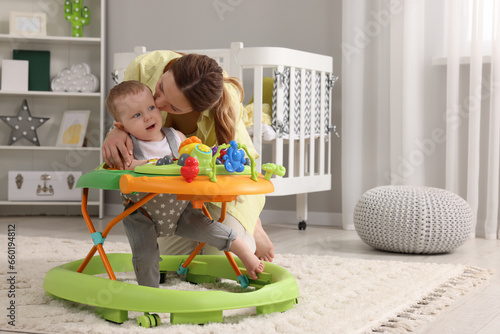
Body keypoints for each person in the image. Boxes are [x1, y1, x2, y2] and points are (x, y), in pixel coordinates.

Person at [102, 51, 275, 263]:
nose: (158, 101)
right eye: (161, 88)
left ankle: (254, 225)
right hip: (174, 192)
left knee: (222, 263)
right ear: (168, 70)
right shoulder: (143, 68)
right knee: (170, 264)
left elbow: (233, 169)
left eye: (173, 107)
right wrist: (117, 129)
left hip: (224, 181)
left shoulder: (225, 104)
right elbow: (124, 110)